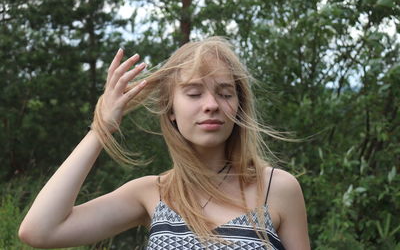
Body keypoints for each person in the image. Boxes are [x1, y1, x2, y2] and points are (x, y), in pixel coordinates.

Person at [19, 37, 310, 249]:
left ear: (239, 107)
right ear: (171, 110)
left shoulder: (278, 189)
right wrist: (102, 127)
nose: (211, 104)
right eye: (194, 93)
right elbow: (40, 231)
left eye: (224, 93)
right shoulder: (153, 193)